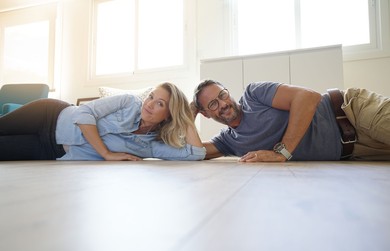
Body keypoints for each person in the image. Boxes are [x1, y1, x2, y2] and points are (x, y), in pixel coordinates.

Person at [191, 79, 390, 162]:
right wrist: (188, 112)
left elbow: (308, 97)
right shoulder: (229, 142)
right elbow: (193, 152)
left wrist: (282, 153)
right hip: (356, 152)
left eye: (223, 95)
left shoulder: (253, 95)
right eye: (213, 105)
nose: (223, 104)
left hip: (351, 112)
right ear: (206, 114)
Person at [0, 82, 206, 161]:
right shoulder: (129, 102)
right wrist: (106, 153)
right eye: (151, 96)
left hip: (52, 150)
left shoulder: (151, 146)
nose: (150, 104)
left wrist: (187, 116)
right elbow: (84, 114)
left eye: (160, 104)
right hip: (49, 115)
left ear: (169, 115)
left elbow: (196, 153)